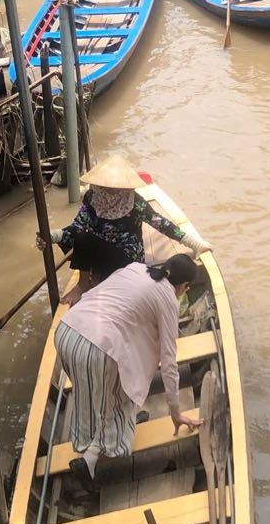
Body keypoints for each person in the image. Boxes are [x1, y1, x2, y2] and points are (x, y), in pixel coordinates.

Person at [55, 255, 202, 491]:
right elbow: (168, 361)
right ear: (184, 287)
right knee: (121, 394)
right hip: (97, 346)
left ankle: (95, 436)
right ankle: (89, 461)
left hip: (67, 332)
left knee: (92, 390)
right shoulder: (168, 299)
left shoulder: (135, 268)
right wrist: (176, 412)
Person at [41, 155, 209, 295]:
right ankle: (83, 284)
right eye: (106, 187)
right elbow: (76, 227)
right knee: (82, 237)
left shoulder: (135, 203)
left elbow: (162, 224)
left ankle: (109, 285)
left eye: (115, 188)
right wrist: (53, 236)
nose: (110, 192)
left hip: (126, 256)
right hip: (100, 251)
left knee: (114, 282)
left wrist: (193, 243)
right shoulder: (92, 198)